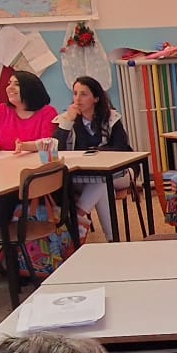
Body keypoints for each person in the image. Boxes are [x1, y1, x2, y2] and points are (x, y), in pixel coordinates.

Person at [55, 75, 135, 241]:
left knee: (102, 180)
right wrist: (68, 122)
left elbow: (121, 148)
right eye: (75, 93)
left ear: (96, 98)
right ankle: (113, 239)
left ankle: (77, 217)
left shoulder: (111, 118)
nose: (77, 99)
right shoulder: (67, 119)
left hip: (119, 172)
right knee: (101, 184)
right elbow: (57, 149)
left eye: (83, 94)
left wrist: (95, 152)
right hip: (84, 175)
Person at [0, 69, 60, 153]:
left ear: (30, 89)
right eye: (9, 83)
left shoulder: (48, 112)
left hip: (35, 160)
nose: (10, 87)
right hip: (5, 160)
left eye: (17, 84)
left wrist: (24, 146)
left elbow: (47, 145)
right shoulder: (1, 110)